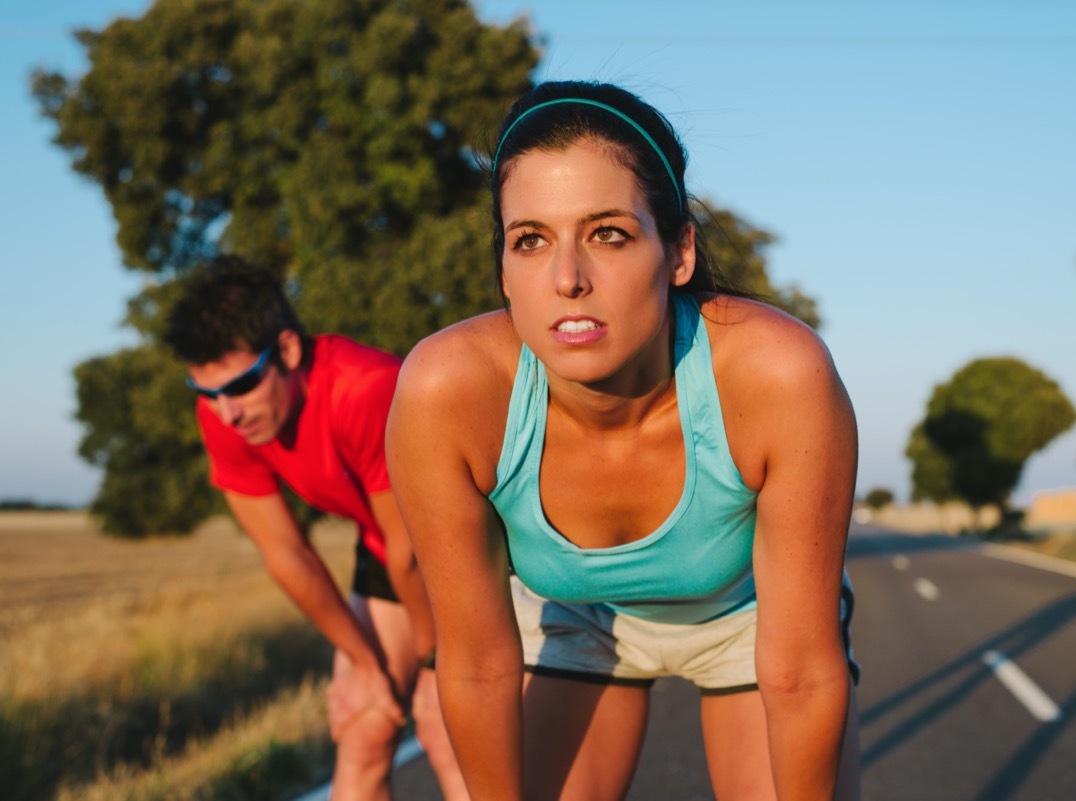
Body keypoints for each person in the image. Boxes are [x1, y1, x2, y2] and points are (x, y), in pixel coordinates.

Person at [385, 80, 862, 800]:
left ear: (678, 252)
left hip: (747, 617)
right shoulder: (444, 392)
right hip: (582, 619)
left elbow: (800, 673)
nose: (568, 278)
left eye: (608, 233)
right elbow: (478, 663)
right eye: (530, 240)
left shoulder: (778, 374)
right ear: (503, 271)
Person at [164, 259, 467, 801]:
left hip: (474, 536)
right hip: (393, 546)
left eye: (241, 385)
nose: (226, 412)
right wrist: (364, 665)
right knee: (365, 724)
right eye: (207, 391)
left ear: (287, 350)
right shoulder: (223, 414)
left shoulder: (366, 389)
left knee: (447, 730)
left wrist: (432, 664)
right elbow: (287, 556)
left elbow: (417, 553)